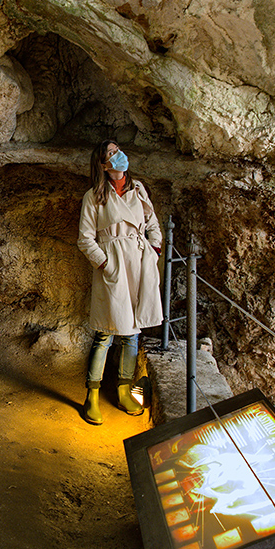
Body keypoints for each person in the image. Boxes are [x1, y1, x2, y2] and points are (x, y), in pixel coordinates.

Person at [76, 140, 163, 425]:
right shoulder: (95, 196)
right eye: (111, 154)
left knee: (132, 332)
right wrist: (105, 263)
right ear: (103, 164)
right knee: (105, 333)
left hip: (137, 262)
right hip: (113, 266)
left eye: (118, 150)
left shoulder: (137, 190)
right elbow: (85, 238)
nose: (118, 155)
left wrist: (154, 249)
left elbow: (152, 223)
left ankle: (124, 390)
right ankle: (92, 394)